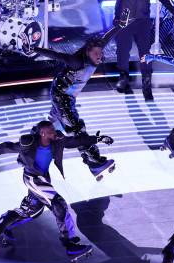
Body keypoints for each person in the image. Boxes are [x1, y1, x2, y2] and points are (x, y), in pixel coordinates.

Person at [0, 120, 110, 260]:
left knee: (32, 210)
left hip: (43, 178)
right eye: (51, 131)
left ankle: (6, 225)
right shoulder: (29, 143)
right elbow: (5, 147)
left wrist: (98, 138)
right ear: (42, 133)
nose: (54, 132)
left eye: (53, 130)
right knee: (59, 204)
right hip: (33, 178)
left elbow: (75, 141)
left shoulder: (57, 139)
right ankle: (70, 244)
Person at [35, 20, 128, 170]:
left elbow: (106, 37)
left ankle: (35, 142)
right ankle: (96, 162)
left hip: (67, 96)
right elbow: (56, 55)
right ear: (87, 52)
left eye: (100, 52)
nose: (99, 56)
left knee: (57, 125)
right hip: (62, 97)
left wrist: (120, 26)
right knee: (78, 130)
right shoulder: (77, 61)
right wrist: (35, 49)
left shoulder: (95, 49)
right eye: (96, 53)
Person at [114, 0, 174, 100]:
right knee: (123, 50)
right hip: (123, 19)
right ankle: (123, 78)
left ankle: (146, 84)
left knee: (145, 52)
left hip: (142, 21)